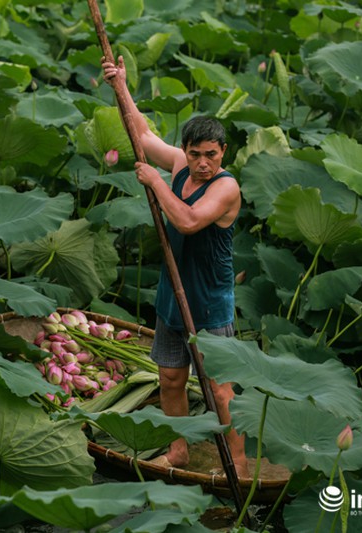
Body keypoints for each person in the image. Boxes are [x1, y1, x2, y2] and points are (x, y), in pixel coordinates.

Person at [102, 56, 248, 478]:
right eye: (195, 154)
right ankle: (179, 448)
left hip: (209, 299)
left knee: (220, 391)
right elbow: (143, 134)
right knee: (170, 378)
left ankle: (237, 461)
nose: (203, 163)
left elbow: (187, 220)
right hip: (173, 290)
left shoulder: (226, 187)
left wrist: (155, 183)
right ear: (185, 151)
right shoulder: (182, 166)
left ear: (223, 152)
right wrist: (122, 87)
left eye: (211, 155)